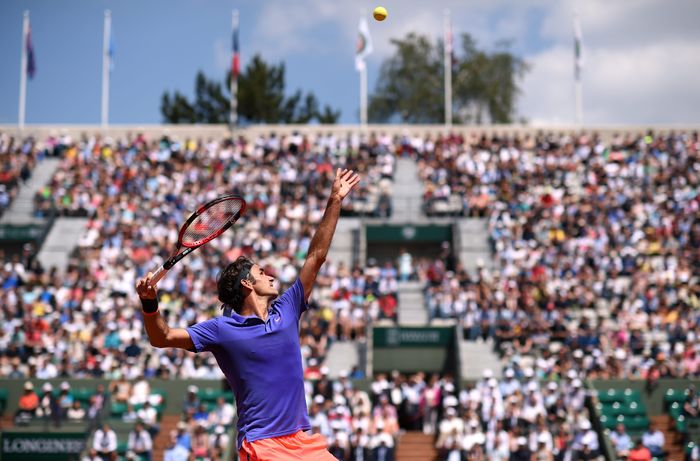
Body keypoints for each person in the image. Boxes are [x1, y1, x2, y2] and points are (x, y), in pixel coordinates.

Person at [136, 168, 361, 461]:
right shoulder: (222, 329)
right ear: (246, 284)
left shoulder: (288, 309)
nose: (269, 275)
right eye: (260, 272)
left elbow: (316, 257)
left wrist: (335, 201)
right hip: (262, 445)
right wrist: (150, 303)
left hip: (302, 442)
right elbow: (161, 337)